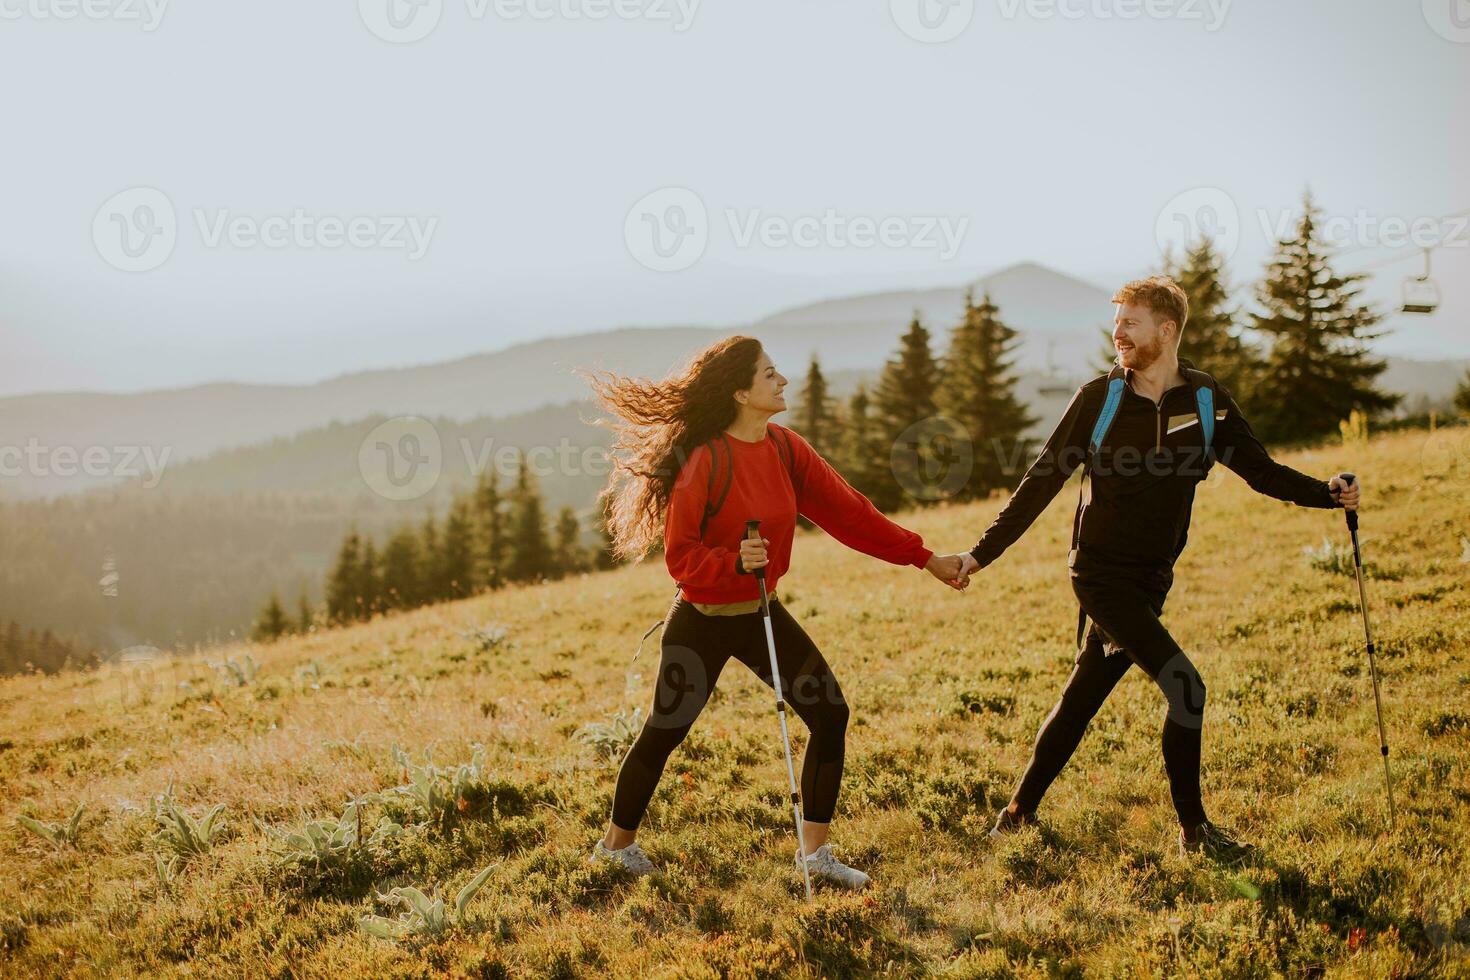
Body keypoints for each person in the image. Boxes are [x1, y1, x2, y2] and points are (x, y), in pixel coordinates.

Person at [938, 275, 1361, 863]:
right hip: (1099, 575)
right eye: (1117, 324)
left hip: (1151, 579)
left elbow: (1261, 471)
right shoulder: (1099, 399)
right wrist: (979, 555)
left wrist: (1326, 493)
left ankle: (1016, 813)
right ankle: (1195, 833)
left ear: (1167, 331)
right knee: (1187, 689)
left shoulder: (1206, 402)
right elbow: (1042, 479)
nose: (1118, 334)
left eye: (1130, 324)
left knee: (1086, 692)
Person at [582, 336, 967, 888]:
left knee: (830, 714)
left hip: (762, 612)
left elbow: (849, 513)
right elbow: (681, 558)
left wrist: (924, 557)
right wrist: (734, 559)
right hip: (702, 622)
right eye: (769, 375)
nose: (782, 381)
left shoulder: (786, 449)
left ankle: (815, 856)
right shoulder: (705, 462)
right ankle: (615, 847)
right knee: (665, 730)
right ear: (740, 392)